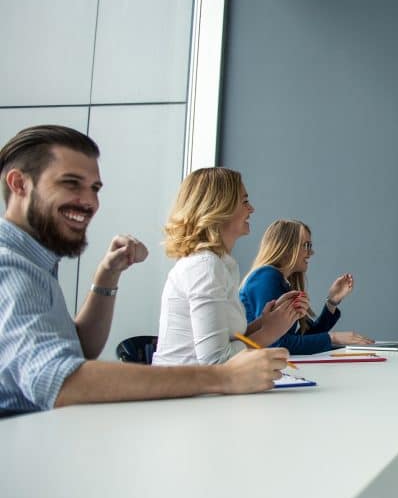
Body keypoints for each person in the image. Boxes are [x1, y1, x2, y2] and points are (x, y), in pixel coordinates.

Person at [0, 126, 287, 414]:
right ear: (19, 184)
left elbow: (80, 349)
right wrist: (222, 377)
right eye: (71, 183)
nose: (90, 201)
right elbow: (58, 379)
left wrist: (107, 277)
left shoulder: (37, 261)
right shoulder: (9, 265)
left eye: (95, 188)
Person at [152, 168, 305, 366]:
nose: (251, 209)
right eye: (244, 201)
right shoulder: (205, 267)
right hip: (185, 385)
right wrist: (269, 332)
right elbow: (216, 361)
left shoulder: (219, 264)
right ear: (220, 208)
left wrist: (265, 322)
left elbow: (226, 341)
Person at [239, 219, 373, 354]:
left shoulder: (278, 279)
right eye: (306, 245)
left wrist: (332, 302)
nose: (311, 252)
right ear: (286, 247)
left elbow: (301, 339)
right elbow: (276, 344)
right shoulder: (266, 278)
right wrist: (333, 338)